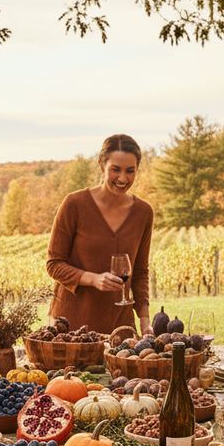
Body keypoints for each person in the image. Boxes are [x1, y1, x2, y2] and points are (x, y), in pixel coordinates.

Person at [46, 134, 153, 335]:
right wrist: (93, 279)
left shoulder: (143, 212)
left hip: (120, 327)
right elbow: (54, 264)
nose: (123, 178)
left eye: (130, 171)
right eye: (115, 169)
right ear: (101, 165)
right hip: (71, 327)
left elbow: (140, 272)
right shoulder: (74, 204)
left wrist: (145, 320)